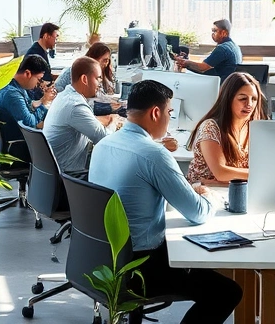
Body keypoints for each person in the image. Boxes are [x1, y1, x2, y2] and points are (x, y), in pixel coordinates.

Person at [89, 79, 242, 324]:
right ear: (155, 113)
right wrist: (209, 196)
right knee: (227, 292)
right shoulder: (154, 154)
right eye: (170, 112)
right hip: (140, 268)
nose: (170, 119)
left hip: (101, 259)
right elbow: (198, 213)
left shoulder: (104, 144)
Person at [186, 72, 265, 184]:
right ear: (228, 99)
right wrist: (260, 174)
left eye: (254, 99)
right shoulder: (210, 127)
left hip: (234, 189)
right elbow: (221, 172)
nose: (249, 104)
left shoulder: (254, 128)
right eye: (243, 98)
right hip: (202, 191)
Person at [43, 57, 115, 174]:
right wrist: (114, 123)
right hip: (68, 175)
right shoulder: (75, 106)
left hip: (53, 168)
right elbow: (104, 139)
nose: (99, 84)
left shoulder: (64, 96)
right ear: (84, 79)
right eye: (98, 78)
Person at [0, 55, 55, 131]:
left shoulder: (14, 84)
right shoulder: (12, 94)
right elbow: (33, 124)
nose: (38, 83)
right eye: (39, 79)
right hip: (17, 134)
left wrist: (43, 100)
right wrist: (45, 103)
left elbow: (29, 104)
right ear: (27, 73)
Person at [54, 42, 121, 111]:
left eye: (108, 61)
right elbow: (83, 102)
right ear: (93, 59)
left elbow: (100, 95)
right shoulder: (76, 72)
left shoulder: (98, 73)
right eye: (104, 60)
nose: (106, 64)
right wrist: (108, 107)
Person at [174, 19, 242, 82]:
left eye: (215, 31)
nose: (212, 34)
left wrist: (185, 62)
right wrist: (187, 62)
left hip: (219, 85)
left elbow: (202, 68)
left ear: (224, 33)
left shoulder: (222, 48)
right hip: (228, 84)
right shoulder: (235, 46)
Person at [25, 22, 60, 99]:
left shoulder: (41, 50)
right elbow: (36, 82)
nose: (56, 42)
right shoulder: (35, 55)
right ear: (46, 36)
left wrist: (61, 76)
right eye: (55, 38)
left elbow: (46, 75)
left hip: (46, 90)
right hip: (38, 96)